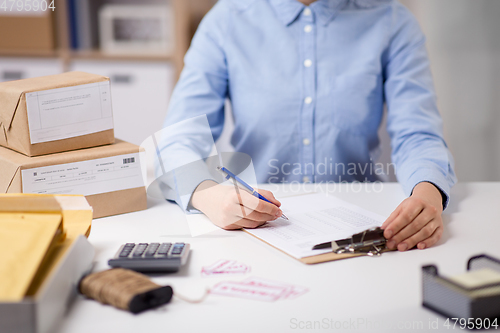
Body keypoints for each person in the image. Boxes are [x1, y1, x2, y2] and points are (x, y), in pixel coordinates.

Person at [158, 0, 457, 252]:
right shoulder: (225, 20)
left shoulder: (392, 20)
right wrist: (207, 195)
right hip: (256, 232)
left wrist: (427, 194)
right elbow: (178, 139)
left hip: (364, 228)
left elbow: (417, 132)